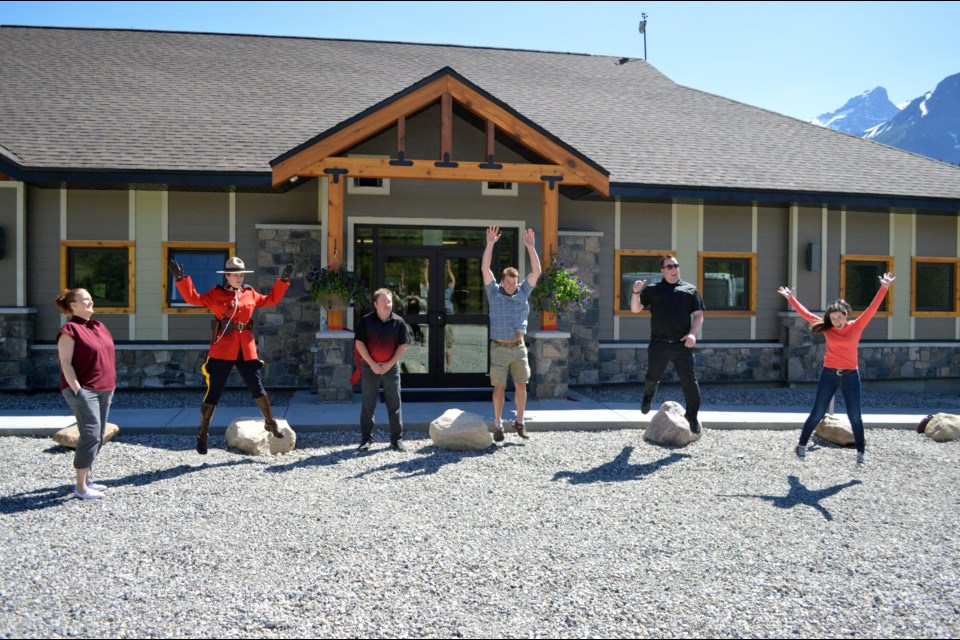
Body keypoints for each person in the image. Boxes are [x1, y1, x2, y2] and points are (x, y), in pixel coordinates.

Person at [168, 256, 293, 455]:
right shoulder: (216, 294)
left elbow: (271, 300)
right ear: (227, 276)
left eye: (241, 274)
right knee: (214, 391)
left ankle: (270, 423)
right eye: (235, 275)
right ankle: (202, 433)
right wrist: (182, 280)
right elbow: (194, 298)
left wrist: (283, 282)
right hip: (223, 348)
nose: (239, 278)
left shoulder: (249, 293)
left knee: (257, 387)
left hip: (246, 348)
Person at [778, 272, 895, 465]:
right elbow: (806, 315)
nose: (836, 322)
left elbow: (871, 309)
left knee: (855, 415)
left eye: (838, 318)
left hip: (850, 376)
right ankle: (801, 445)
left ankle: (861, 452)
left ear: (846, 315)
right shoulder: (828, 328)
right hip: (829, 375)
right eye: (832, 319)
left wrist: (884, 287)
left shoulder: (856, 326)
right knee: (817, 412)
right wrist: (791, 299)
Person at [630, 255, 705, 433]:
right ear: (662, 270)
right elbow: (635, 309)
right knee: (651, 379)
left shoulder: (690, 289)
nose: (673, 269)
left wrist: (692, 335)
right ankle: (647, 398)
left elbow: (699, 315)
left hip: (682, 345)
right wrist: (635, 292)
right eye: (669, 267)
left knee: (690, 382)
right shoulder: (654, 290)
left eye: (676, 266)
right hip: (659, 344)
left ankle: (692, 416)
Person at [55, 288, 116, 500]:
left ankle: (88, 480)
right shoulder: (69, 330)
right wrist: (78, 390)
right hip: (83, 390)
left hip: (105, 388)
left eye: (91, 298)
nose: (91, 301)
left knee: (98, 436)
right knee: (90, 434)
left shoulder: (98, 326)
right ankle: (80, 488)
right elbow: (65, 363)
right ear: (73, 305)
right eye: (85, 299)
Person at [481, 225, 541, 442]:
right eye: (507, 282)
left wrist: (531, 248)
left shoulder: (523, 292)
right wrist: (490, 244)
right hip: (499, 347)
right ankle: (497, 425)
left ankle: (520, 422)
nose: (510, 286)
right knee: (499, 387)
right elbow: (485, 268)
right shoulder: (494, 293)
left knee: (521, 385)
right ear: (502, 280)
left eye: (513, 283)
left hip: (518, 348)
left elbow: (536, 272)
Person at [355, 288, 410, 452]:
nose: (388, 304)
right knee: (368, 405)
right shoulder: (366, 321)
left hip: (391, 369)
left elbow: (404, 345)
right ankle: (366, 440)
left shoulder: (399, 322)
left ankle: (396, 440)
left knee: (394, 405)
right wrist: (372, 364)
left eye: (390, 301)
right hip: (369, 368)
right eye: (384, 301)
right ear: (375, 304)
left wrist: (390, 363)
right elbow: (359, 344)